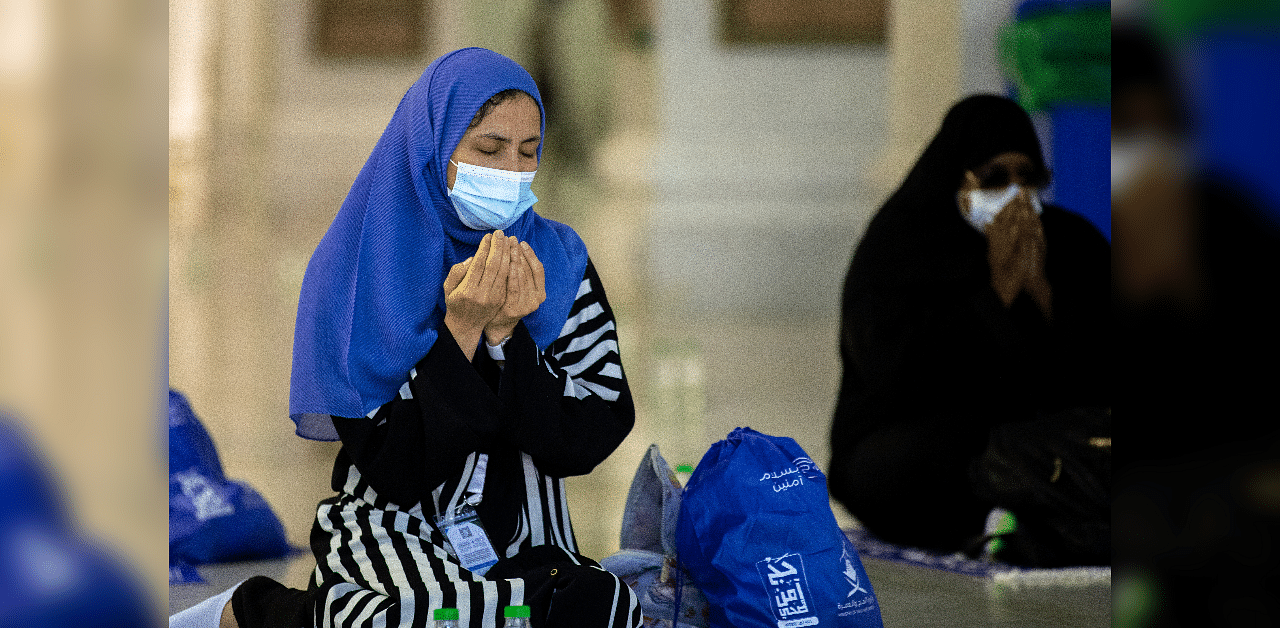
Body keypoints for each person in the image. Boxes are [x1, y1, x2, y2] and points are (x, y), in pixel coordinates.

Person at [171, 48, 640, 628]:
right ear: (430, 148)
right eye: (488, 150)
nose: (512, 173)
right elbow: (394, 467)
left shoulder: (556, 259)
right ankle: (270, 612)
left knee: (602, 610)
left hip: (525, 538)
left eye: (528, 152)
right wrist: (462, 332)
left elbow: (592, 433)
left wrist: (510, 340)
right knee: (436, 622)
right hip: (395, 534)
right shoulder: (358, 268)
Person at [827, 95, 1111, 567]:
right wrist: (997, 292)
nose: (1016, 194)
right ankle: (1015, 518)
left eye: (1029, 177)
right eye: (996, 178)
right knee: (902, 463)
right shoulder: (899, 249)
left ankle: (1025, 519)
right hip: (930, 442)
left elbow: (1097, 373)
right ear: (957, 180)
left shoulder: (1073, 243)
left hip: (1039, 442)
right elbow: (896, 377)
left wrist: (1042, 294)